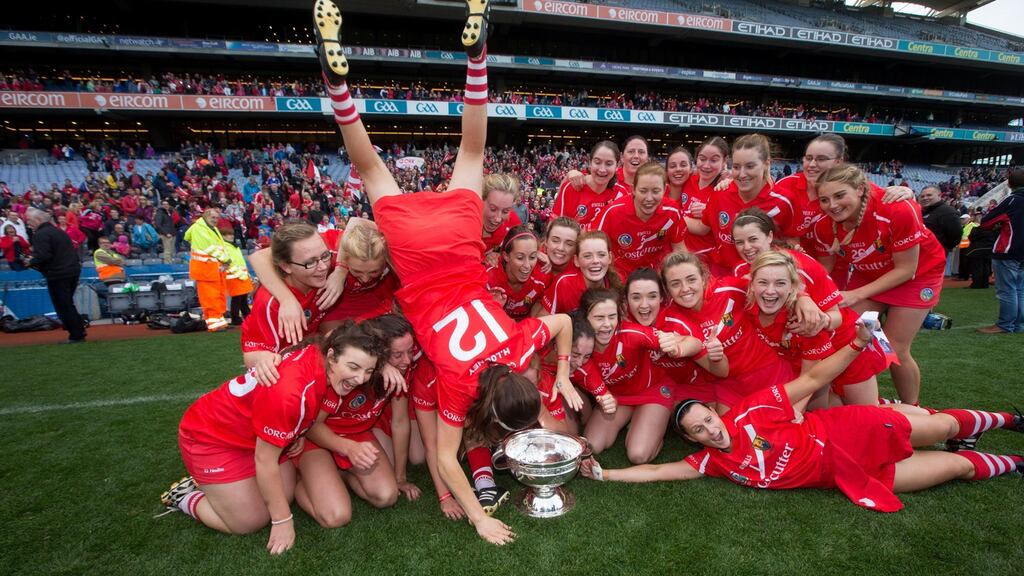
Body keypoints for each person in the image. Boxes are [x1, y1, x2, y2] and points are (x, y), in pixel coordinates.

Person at [313, 0, 578, 545]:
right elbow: (444, 458)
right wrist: (481, 519)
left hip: (458, 246)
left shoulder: (519, 346)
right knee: (371, 168)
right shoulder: (460, 386)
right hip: (415, 254)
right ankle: (337, 88)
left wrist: (564, 370)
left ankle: (478, 58)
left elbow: (563, 324)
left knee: (472, 148)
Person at [580, 318, 1024, 512]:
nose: (710, 428)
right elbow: (657, 472)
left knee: (944, 425)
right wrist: (606, 475)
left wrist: (853, 345)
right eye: (699, 429)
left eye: (708, 419)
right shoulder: (711, 464)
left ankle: (1008, 419)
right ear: (694, 440)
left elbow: (810, 385)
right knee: (958, 466)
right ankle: (1013, 464)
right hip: (846, 476)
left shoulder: (749, 411)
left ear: (719, 415)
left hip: (854, 430)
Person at [159, 323, 383, 555]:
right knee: (249, 522)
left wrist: (293, 433)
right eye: (354, 367)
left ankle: (222, 489)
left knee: (282, 494)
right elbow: (265, 460)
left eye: (368, 371)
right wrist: (282, 520)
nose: (360, 379)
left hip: (253, 436)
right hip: (212, 438)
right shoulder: (292, 392)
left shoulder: (326, 354)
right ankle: (186, 496)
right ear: (331, 355)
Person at [811, 165, 946, 405]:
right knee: (843, 334)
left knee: (894, 347)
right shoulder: (824, 224)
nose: (832, 205)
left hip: (918, 275)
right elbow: (825, 270)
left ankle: (913, 409)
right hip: (871, 273)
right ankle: (851, 400)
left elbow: (906, 270)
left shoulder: (896, 209)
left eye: (840, 195)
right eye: (824, 199)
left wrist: (855, 294)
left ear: (861, 189)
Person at [292, 315, 420, 528]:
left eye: (410, 351)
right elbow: (312, 426)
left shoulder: (398, 372)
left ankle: (339, 474)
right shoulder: (350, 375)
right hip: (318, 439)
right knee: (336, 517)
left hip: (357, 435)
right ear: (379, 353)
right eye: (397, 354)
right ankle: (302, 482)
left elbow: (399, 422)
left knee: (386, 496)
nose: (407, 361)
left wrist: (400, 477)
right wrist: (348, 448)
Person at [576, 287, 718, 463]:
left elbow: (692, 342)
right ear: (585, 318)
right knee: (593, 445)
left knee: (638, 455)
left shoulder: (632, 333)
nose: (607, 324)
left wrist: (677, 347)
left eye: (612, 317)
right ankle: (636, 419)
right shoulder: (579, 346)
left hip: (653, 390)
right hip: (617, 396)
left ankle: (655, 426)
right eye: (599, 318)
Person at [747, 251, 889, 408]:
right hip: (816, 358)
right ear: (751, 283)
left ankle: (912, 412)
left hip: (847, 343)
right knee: (824, 412)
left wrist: (816, 314)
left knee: (867, 413)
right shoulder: (746, 283)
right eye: (739, 241)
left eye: (780, 283)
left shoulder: (805, 318)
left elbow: (810, 379)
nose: (748, 247)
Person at [685, 134, 797, 276]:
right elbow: (703, 227)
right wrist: (672, 214)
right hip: (722, 274)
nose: (742, 174)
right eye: (736, 167)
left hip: (764, 278)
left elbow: (792, 242)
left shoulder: (784, 201)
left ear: (767, 163)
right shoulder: (719, 194)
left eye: (750, 166)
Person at [242, 221, 334, 385]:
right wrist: (263, 359)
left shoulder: (322, 270)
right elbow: (254, 356)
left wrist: (340, 272)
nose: (322, 267)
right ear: (286, 266)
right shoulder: (270, 304)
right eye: (310, 262)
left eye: (325, 256)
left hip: (316, 359)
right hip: (289, 374)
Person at [594, 161, 686, 280]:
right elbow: (593, 248)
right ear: (633, 189)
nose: (649, 198)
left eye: (656, 191)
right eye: (643, 191)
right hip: (619, 277)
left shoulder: (672, 212)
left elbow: (679, 249)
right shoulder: (612, 212)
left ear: (665, 190)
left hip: (656, 276)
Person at [23, 208, 86, 343]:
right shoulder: (59, 231)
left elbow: (43, 255)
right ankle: (78, 330)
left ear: (38, 220)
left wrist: (31, 261)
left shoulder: (41, 234)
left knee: (63, 305)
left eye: (30, 220)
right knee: (68, 303)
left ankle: (76, 333)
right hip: (72, 271)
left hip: (57, 273)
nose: (28, 224)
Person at [977, 166, 1024, 334]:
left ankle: (1005, 325)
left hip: (1008, 250)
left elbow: (986, 222)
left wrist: (999, 224)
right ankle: (1018, 325)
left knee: (1007, 290)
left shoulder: (1012, 200)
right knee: (1019, 289)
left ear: (1010, 183)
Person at [534, 230, 622, 315]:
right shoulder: (565, 283)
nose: (595, 261)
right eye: (587, 256)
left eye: (601, 255)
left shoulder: (617, 283)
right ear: (576, 261)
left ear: (610, 258)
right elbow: (542, 319)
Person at [183, 208, 232, 332]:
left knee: (218, 295)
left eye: (217, 218)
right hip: (205, 269)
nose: (215, 220)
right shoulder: (200, 229)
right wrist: (227, 260)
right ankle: (214, 324)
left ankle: (219, 321)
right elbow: (211, 248)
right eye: (213, 217)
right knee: (210, 297)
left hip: (213, 268)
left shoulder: (209, 228)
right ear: (205, 216)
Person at [552, 141, 621, 226]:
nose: (602, 169)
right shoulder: (571, 187)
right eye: (597, 162)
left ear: (617, 166)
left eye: (609, 164)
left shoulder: (620, 194)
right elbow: (554, 228)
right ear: (590, 163)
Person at [485, 225, 546, 320]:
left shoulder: (542, 274)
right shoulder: (489, 278)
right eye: (520, 258)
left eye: (532, 257)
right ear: (506, 256)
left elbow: (541, 303)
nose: (527, 265)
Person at [919, 185, 962, 268]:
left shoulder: (948, 211)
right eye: (922, 196)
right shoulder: (922, 211)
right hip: (920, 256)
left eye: (929, 195)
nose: (925, 198)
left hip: (934, 257)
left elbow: (956, 235)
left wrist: (942, 248)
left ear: (939, 195)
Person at [220, 225, 253, 326]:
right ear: (222, 236)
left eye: (231, 234)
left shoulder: (233, 246)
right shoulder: (225, 247)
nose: (231, 236)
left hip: (241, 274)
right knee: (237, 298)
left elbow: (239, 261)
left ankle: (246, 316)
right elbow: (228, 262)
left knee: (242, 298)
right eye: (228, 235)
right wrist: (239, 273)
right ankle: (237, 318)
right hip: (234, 275)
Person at [155, 199, 178, 264]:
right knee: (167, 250)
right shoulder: (160, 212)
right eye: (164, 204)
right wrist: (166, 233)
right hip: (166, 234)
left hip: (172, 233)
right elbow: (158, 224)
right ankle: (167, 264)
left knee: (171, 250)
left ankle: (170, 263)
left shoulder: (170, 212)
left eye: (167, 204)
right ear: (161, 205)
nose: (166, 205)